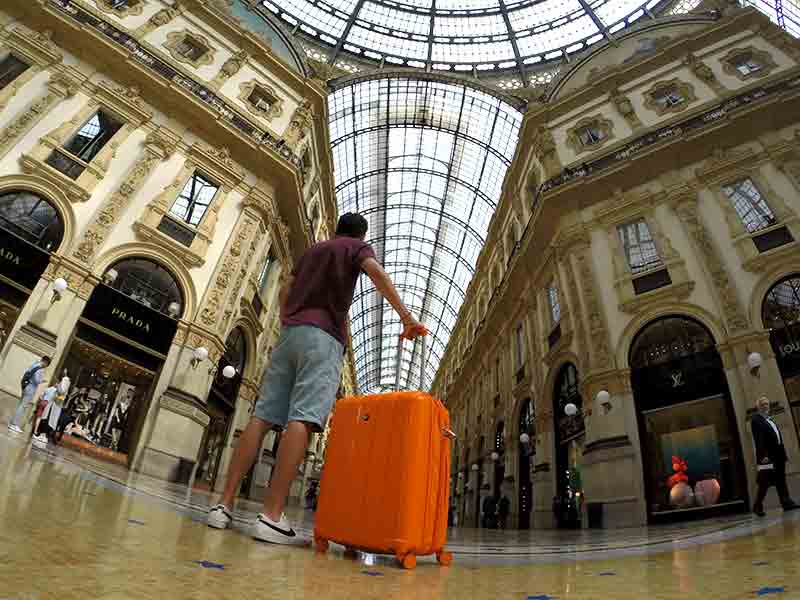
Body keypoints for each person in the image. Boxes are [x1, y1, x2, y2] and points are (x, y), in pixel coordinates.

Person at [207, 212, 426, 544]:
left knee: (262, 415)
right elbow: (377, 275)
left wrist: (288, 317)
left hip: (290, 334)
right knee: (303, 417)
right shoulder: (357, 248)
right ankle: (271, 516)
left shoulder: (314, 250)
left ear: (336, 229)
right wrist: (407, 318)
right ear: (362, 236)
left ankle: (221, 506)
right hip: (323, 338)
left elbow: (286, 288)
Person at [751, 395, 799, 517]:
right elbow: (759, 439)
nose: (765, 406)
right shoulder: (756, 419)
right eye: (762, 404)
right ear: (758, 407)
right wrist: (763, 455)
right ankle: (757, 505)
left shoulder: (770, 419)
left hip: (778, 454)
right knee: (764, 481)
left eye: (767, 404)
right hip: (767, 456)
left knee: (780, 479)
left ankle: (786, 502)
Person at [8, 355, 50, 434]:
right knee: (23, 406)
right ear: (45, 362)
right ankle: (14, 424)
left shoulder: (34, 364)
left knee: (20, 404)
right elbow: (37, 380)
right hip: (31, 387)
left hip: (26, 386)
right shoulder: (40, 368)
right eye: (47, 365)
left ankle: (12, 423)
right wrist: (42, 380)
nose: (45, 367)